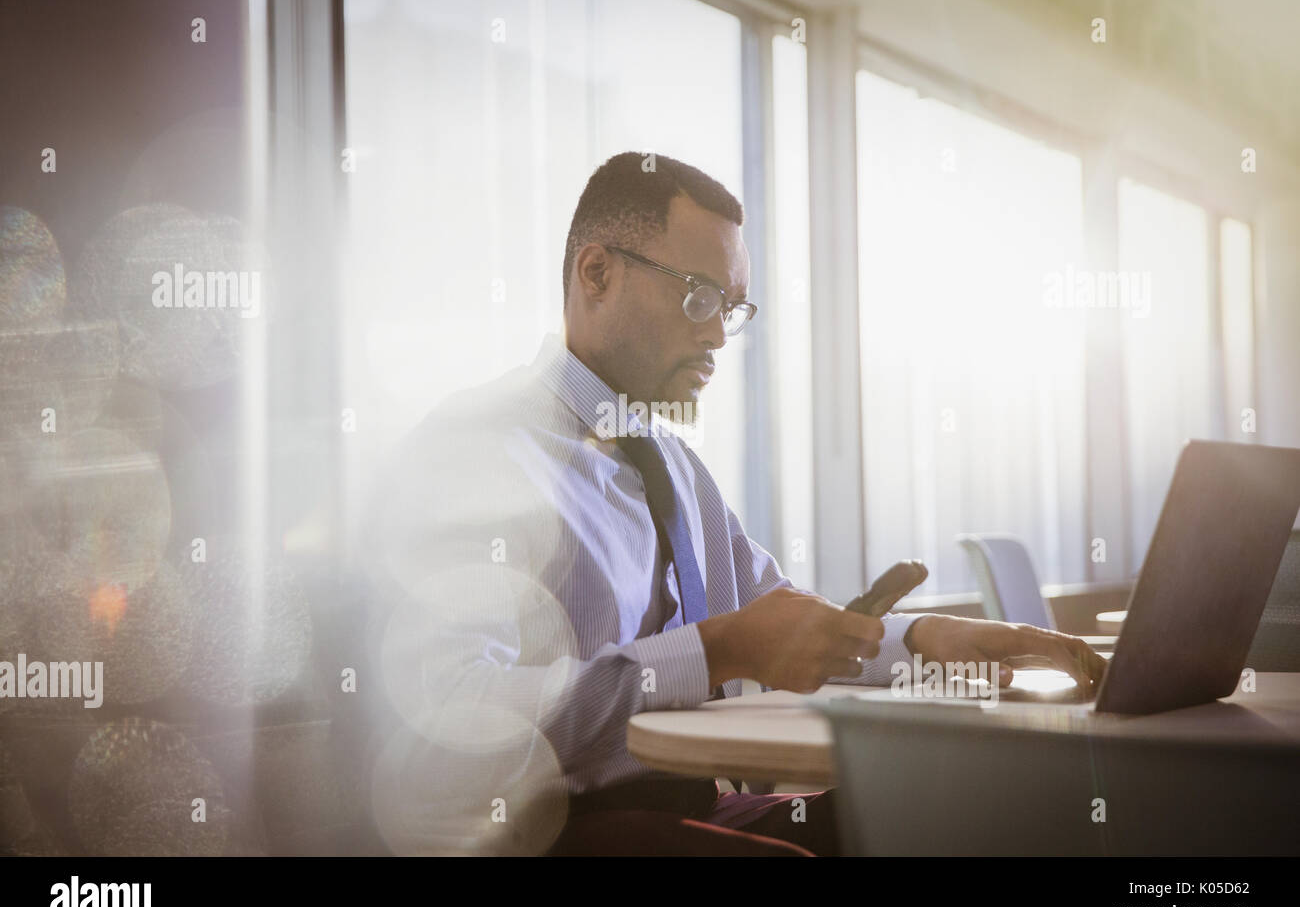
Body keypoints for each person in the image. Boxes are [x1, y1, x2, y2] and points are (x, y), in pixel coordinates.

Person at [362, 151, 1107, 856]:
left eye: (734, 307)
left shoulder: (676, 469)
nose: (719, 332)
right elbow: (457, 716)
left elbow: (776, 621)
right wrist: (719, 648)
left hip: (691, 807)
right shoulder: (479, 449)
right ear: (596, 274)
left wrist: (921, 645)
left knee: (942, 818)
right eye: (699, 296)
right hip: (547, 831)